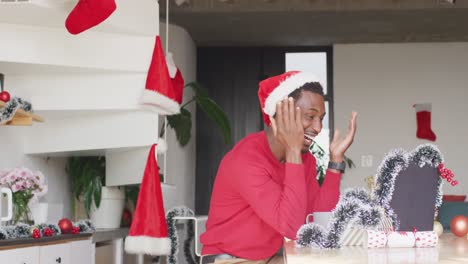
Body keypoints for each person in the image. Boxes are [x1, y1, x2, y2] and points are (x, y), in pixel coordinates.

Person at [200, 71, 357, 264]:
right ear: (282, 115)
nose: (318, 128)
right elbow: (292, 227)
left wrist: (335, 163)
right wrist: (292, 150)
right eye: (310, 116)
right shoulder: (247, 160)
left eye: (321, 118)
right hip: (230, 259)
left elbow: (317, 218)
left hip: (272, 257)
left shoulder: (303, 159)